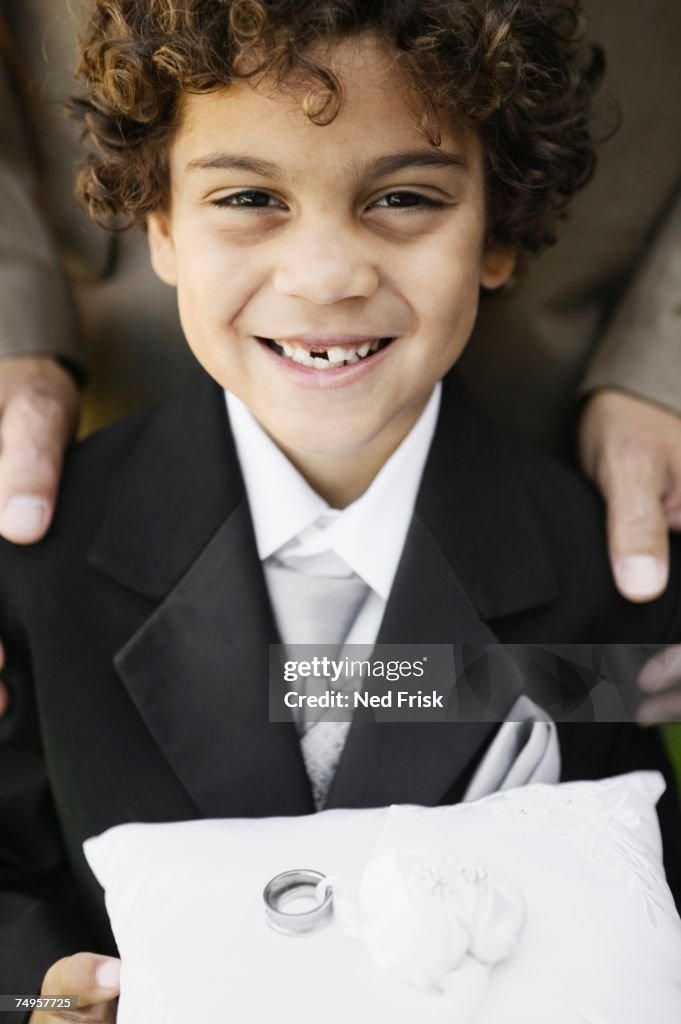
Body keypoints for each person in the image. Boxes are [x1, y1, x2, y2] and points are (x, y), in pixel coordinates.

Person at [1, 2, 681, 1021]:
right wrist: (43, 987)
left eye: (404, 197)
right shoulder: (39, 567)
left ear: (497, 231)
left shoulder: (601, 572)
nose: (326, 276)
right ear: (162, 226)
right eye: (247, 197)